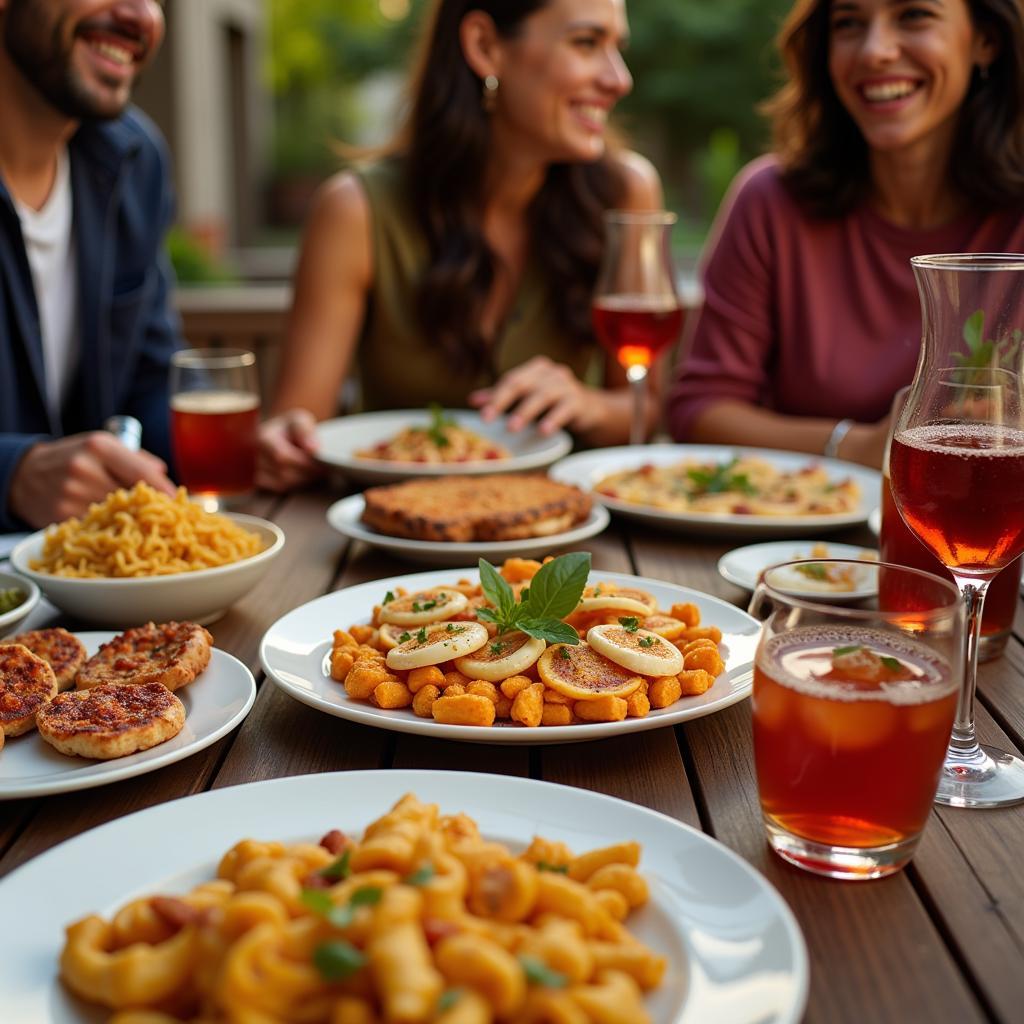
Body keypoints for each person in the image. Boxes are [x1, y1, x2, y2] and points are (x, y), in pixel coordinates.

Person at [258, 0, 664, 493]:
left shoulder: (627, 193)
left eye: (617, 48)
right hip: (393, 537)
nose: (619, 80)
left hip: (561, 535)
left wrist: (587, 403)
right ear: (485, 47)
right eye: (586, 43)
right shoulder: (355, 211)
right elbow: (298, 425)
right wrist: (284, 444)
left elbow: (647, 408)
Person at [667, 0, 1024, 468]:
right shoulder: (771, 202)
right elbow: (699, 411)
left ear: (985, 40)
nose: (874, 51)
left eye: (914, 15)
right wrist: (857, 445)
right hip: (800, 530)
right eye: (849, 23)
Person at [0, 0, 179, 531]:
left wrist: (242, 445)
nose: (140, 15)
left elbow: (151, 382)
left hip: (86, 602)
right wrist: (12, 474)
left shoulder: (135, 159)